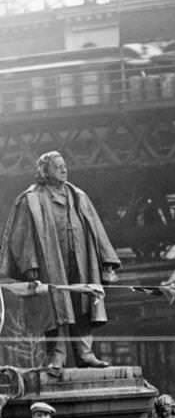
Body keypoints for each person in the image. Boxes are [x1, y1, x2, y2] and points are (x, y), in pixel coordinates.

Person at [1, 151, 120, 374]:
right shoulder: (31, 199)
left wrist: (106, 261)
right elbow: (22, 236)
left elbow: (96, 229)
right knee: (54, 307)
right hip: (51, 261)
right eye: (58, 166)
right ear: (45, 171)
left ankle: (85, 353)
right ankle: (56, 355)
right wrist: (30, 266)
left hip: (81, 257)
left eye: (64, 165)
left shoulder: (78, 196)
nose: (64, 169)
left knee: (84, 302)